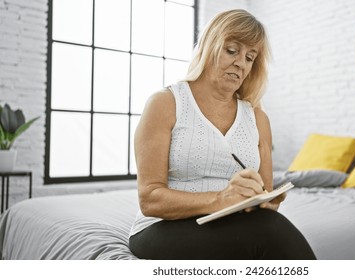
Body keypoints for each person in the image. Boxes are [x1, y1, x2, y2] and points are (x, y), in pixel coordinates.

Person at [128, 9, 316, 260]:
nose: (241, 63)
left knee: (270, 226)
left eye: (250, 57)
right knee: (271, 232)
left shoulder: (258, 119)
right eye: (232, 50)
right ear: (209, 46)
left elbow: (265, 193)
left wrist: (266, 201)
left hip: (229, 224)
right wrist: (220, 199)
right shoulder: (165, 103)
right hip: (162, 227)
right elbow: (150, 200)